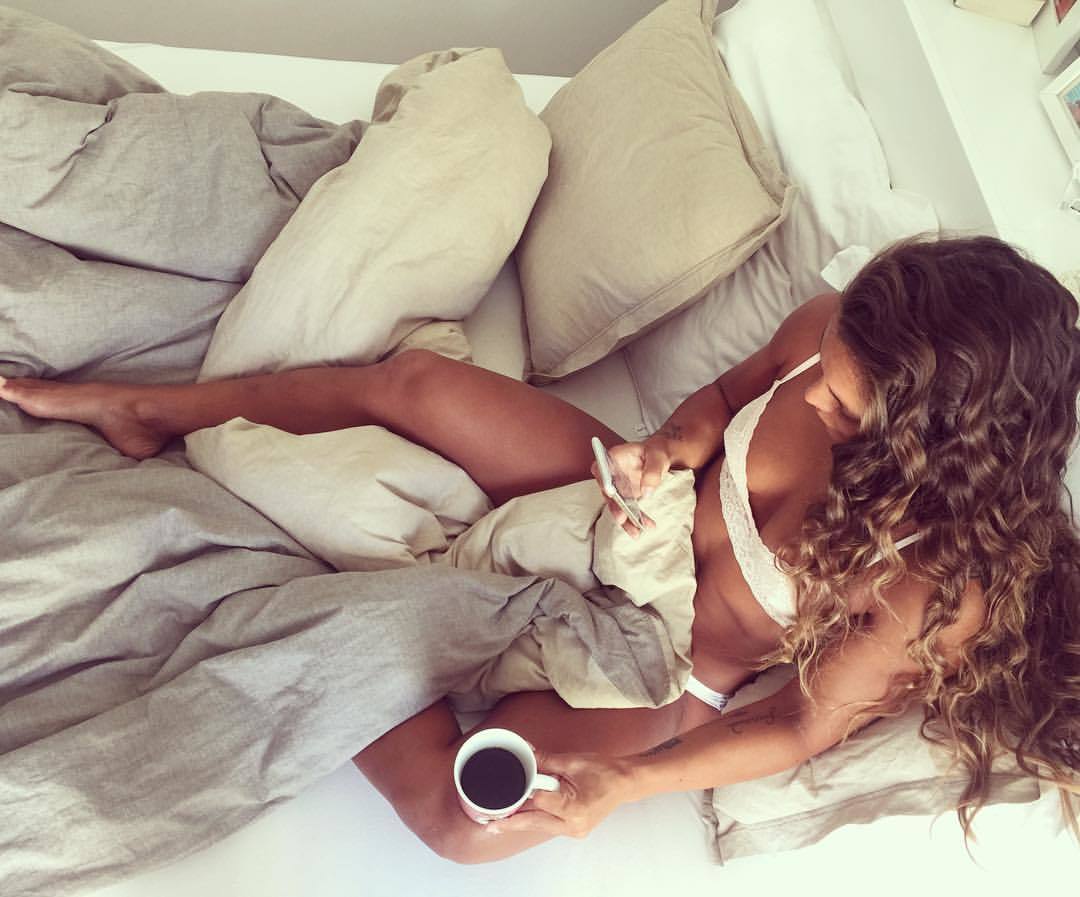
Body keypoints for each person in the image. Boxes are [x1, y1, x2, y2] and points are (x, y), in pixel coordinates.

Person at [1, 234, 1078, 862]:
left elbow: (799, 724)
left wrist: (627, 782)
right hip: (628, 515)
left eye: (850, 414)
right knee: (415, 383)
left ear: (946, 441)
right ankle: (148, 409)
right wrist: (666, 449)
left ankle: (340, 597)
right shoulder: (831, 330)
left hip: (668, 657)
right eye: (828, 385)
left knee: (465, 821)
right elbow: (723, 397)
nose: (821, 409)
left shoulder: (944, 580)